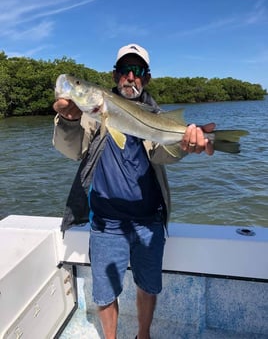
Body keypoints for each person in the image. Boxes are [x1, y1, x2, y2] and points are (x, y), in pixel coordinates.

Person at [52, 43, 215, 339]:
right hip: (106, 222)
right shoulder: (92, 114)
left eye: (137, 71)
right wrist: (68, 120)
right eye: (125, 70)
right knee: (104, 292)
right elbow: (70, 148)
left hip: (148, 221)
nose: (130, 77)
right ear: (114, 76)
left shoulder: (158, 117)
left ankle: (143, 335)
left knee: (148, 285)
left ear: (146, 78)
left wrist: (188, 143)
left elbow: (165, 154)